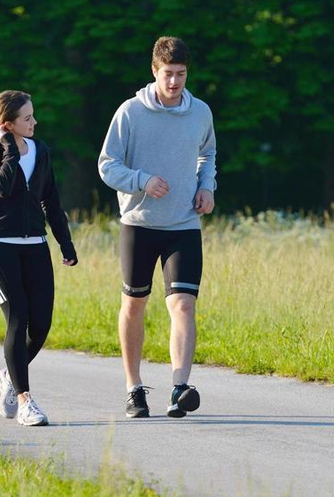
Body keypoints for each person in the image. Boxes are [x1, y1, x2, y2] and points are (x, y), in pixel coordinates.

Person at [98, 36, 217, 418]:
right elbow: (107, 165)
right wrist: (142, 180)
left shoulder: (200, 112)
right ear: (155, 71)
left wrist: (207, 186)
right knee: (134, 304)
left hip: (184, 224)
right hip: (139, 223)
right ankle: (134, 389)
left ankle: (180, 389)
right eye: (168, 74)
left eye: (181, 74)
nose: (174, 82)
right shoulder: (130, 112)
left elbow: (208, 152)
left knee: (183, 304)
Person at [0, 90, 78, 427]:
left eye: (33, 116)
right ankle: (25, 401)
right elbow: (3, 187)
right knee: (17, 317)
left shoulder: (41, 150)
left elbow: (52, 200)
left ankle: (9, 375)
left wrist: (66, 243)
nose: (35, 122)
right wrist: (7, 148)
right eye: (27, 118)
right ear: (8, 125)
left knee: (42, 324)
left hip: (35, 242)